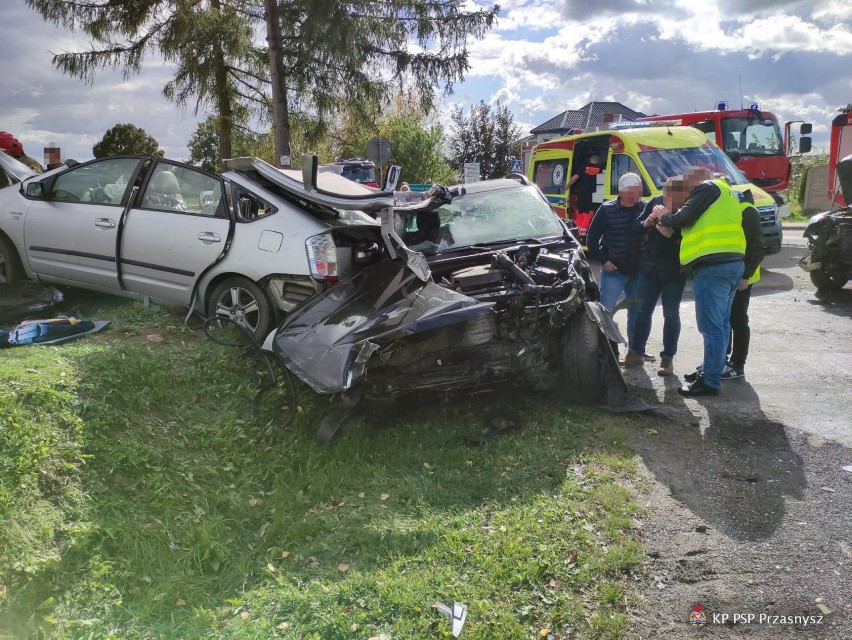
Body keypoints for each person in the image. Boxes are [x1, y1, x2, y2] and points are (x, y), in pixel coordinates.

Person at [655, 167, 746, 396]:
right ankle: (711, 369)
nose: (685, 192)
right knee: (722, 324)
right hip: (732, 264)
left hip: (713, 268)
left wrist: (662, 215)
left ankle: (710, 381)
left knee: (711, 328)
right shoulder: (729, 193)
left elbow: (682, 218)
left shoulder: (706, 188)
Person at [585, 172, 647, 363]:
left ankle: (635, 352)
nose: (641, 192)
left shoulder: (645, 208)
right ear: (624, 191)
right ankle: (611, 353)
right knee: (607, 311)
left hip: (638, 270)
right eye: (637, 189)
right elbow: (591, 239)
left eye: (640, 189)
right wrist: (604, 261)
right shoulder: (606, 209)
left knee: (636, 311)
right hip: (614, 270)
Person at [631, 176, 689, 376]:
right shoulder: (655, 203)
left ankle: (667, 358)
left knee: (670, 315)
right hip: (650, 269)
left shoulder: (689, 210)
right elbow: (636, 229)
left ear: (683, 196)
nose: (667, 202)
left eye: (672, 198)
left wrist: (672, 235)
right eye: (665, 196)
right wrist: (646, 223)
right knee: (641, 310)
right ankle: (636, 352)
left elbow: (692, 241)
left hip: (674, 272)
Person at [723, 188, 765, 380]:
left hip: (742, 277)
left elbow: (757, 247)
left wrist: (745, 276)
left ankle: (738, 364)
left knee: (738, 319)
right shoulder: (728, 208)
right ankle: (722, 359)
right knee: (724, 319)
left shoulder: (746, 210)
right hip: (729, 275)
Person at [568, 153, 603, 239]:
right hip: (593, 196)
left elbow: (574, 178)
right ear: (597, 159)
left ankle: (577, 233)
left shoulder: (584, 167)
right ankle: (583, 236)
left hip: (581, 195)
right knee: (588, 215)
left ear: (590, 159)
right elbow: (602, 184)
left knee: (579, 214)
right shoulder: (600, 169)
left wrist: (566, 186)